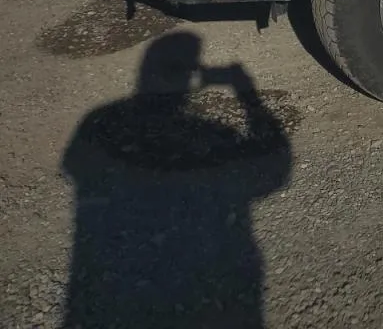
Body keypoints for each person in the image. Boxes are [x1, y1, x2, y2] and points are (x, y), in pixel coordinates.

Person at [60, 32, 292, 329]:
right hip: (219, 277)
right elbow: (275, 175)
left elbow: (75, 167)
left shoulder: (97, 119)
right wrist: (247, 95)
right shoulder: (215, 133)